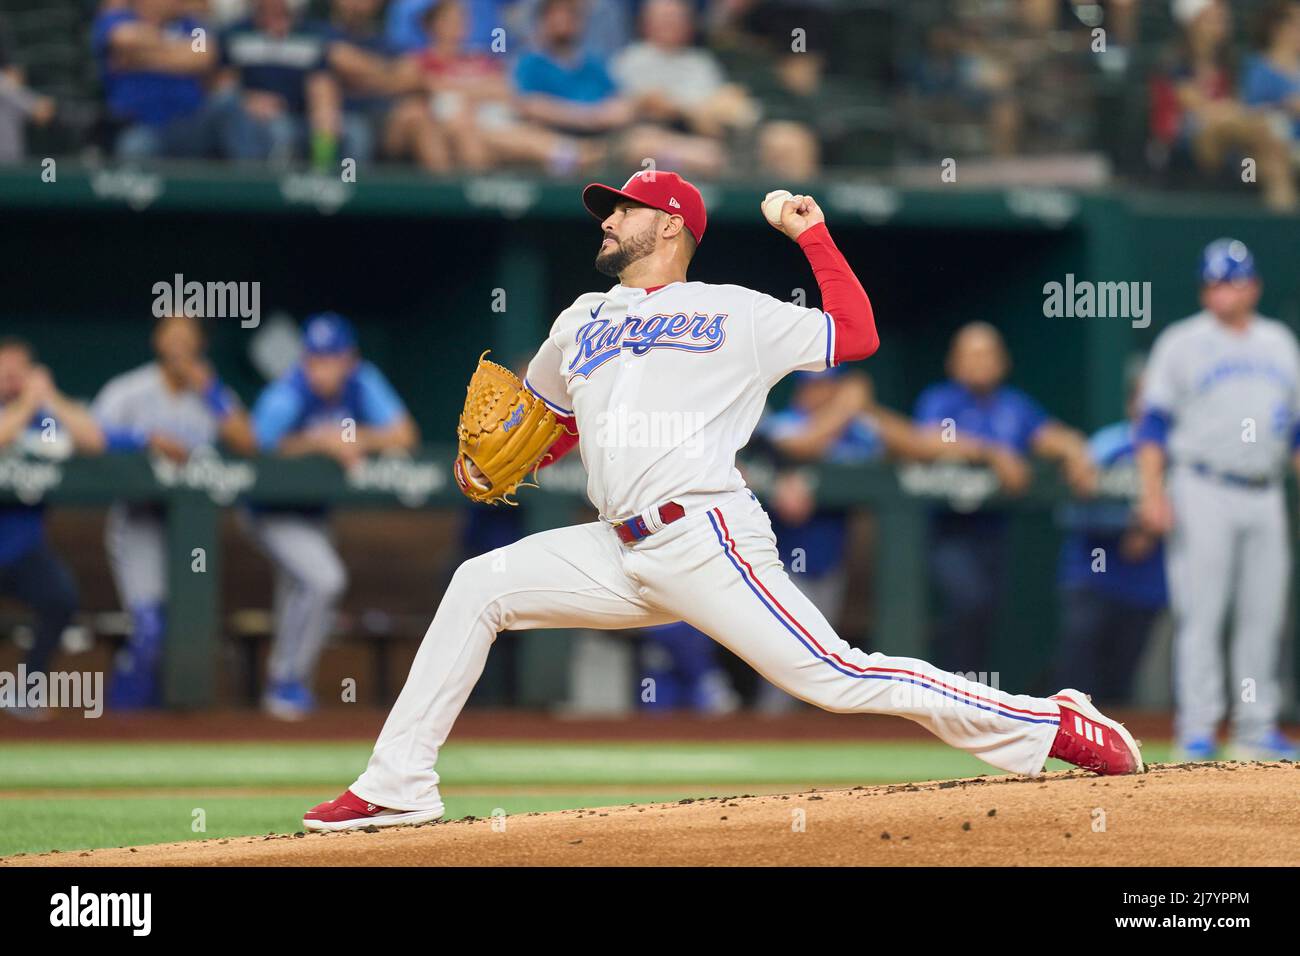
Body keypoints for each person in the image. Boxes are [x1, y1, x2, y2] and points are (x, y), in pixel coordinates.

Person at [302, 170, 1142, 832]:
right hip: (613, 547)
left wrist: (812, 237)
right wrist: (495, 467)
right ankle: (396, 785)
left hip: (704, 535)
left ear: (669, 224)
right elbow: (546, 420)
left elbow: (856, 335)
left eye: (623, 209)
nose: (607, 221)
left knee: (838, 677)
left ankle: (1050, 722)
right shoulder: (580, 318)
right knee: (476, 586)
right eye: (607, 210)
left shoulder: (733, 312)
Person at [1136, 239, 1299, 761]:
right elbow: (1153, 424)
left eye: (1228, 281)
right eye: (1210, 282)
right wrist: (1152, 492)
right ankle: (1198, 729)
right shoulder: (1183, 342)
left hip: (1265, 490)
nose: (1218, 291)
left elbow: (1294, 433)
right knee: (1201, 611)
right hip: (1202, 485)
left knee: (1263, 614)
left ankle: (1254, 727)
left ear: (1252, 285)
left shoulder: (1278, 343)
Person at [248, 312, 418, 719]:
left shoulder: (362, 379)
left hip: (314, 514)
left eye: (332, 358)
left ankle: (286, 689)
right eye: (315, 358)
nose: (323, 368)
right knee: (325, 580)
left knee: (301, 590)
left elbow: (404, 434)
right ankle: (285, 681)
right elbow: (255, 445)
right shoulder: (290, 388)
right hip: (269, 511)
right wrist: (318, 443)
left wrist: (359, 437)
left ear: (349, 358)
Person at [92, 313, 257, 709]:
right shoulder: (130, 389)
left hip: (192, 531)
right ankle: (122, 725)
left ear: (200, 344)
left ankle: (168, 731)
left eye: (188, 335)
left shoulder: (212, 393)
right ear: (158, 340)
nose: (179, 343)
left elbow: (249, 443)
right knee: (150, 627)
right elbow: (88, 434)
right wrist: (143, 439)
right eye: (172, 334)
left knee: (186, 629)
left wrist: (211, 390)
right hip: (139, 522)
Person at [913, 323, 1095, 674]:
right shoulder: (941, 399)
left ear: (1002, 362)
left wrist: (1076, 452)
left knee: (985, 615)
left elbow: (1050, 435)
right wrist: (991, 453)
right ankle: (943, 687)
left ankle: (969, 701)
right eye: (972, 354)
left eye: (989, 354)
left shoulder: (1013, 406)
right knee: (969, 602)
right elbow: (925, 439)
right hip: (948, 530)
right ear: (954, 363)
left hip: (993, 533)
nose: (982, 362)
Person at [752, 366, 917, 711]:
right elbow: (798, 446)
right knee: (784, 655)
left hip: (833, 562)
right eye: (816, 388)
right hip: (780, 559)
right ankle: (766, 728)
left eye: (831, 388)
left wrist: (865, 409)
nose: (823, 394)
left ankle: (797, 736)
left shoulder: (854, 429)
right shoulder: (785, 422)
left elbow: (914, 443)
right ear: (802, 392)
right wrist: (845, 407)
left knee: (819, 658)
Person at [1052, 359, 1167, 706]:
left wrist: (1152, 531)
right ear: (1133, 402)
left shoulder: (1180, 454)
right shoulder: (1106, 446)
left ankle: (1113, 750)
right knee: (1079, 676)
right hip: (1093, 578)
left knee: (1122, 681)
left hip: (1146, 585)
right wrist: (1127, 525)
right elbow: (1069, 509)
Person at [0, 339, 103, 718]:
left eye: (19, 373)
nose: (12, 381)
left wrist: (51, 397)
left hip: (23, 548)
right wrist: (27, 403)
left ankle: (26, 690)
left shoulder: (43, 420)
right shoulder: (20, 413)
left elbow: (93, 440)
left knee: (60, 597)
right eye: (4, 372)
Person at [1149, 0, 1296, 210]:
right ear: (1193, 23)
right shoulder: (1173, 63)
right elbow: (1200, 110)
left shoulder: (1229, 64)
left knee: (1272, 162)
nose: (1222, 24)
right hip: (1179, 147)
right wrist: (1244, 116)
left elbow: (1235, 107)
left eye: (1223, 19)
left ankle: (1284, 228)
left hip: (1229, 146)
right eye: (1213, 19)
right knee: (1252, 131)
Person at [217, 0, 351, 167]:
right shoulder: (234, 33)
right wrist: (247, 100)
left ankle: (328, 181)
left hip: (302, 117)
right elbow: (223, 89)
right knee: (279, 128)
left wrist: (324, 110)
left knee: (354, 132)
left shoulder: (314, 34)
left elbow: (321, 82)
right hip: (253, 117)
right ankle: (263, 188)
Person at [91, 0, 223, 161]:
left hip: (189, 123)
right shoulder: (119, 17)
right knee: (135, 147)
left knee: (227, 102)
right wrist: (181, 51)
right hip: (140, 125)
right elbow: (124, 39)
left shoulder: (191, 25)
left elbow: (203, 56)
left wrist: (139, 59)